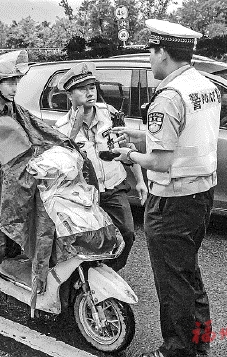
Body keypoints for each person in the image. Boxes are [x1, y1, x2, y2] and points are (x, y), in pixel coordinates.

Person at [111, 19, 221, 357]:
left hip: (172, 200)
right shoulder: (203, 85)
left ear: (163, 53)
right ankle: (198, 343)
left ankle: (176, 350)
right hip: (201, 193)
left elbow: (160, 162)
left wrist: (126, 153)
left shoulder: (168, 97)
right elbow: (181, 137)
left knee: (172, 282)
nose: (148, 59)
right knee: (187, 272)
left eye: (151, 51)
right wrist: (137, 136)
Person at [53, 62, 148, 272]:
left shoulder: (110, 114)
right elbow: (61, 163)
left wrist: (140, 181)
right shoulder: (61, 128)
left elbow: (126, 147)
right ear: (69, 95)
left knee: (127, 234)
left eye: (92, 87)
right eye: (82, 89)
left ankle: (107, 272)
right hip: (84, 193)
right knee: (88, 239)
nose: (89, 93)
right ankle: (87, 280)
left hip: (114, 187)